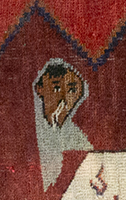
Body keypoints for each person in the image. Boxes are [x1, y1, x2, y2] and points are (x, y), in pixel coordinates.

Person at [33, 58, 93, 190]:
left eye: (71, 90)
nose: (64, 97)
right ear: (39, 89)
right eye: (56, 88)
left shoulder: (79, 139)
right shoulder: (31, 132)